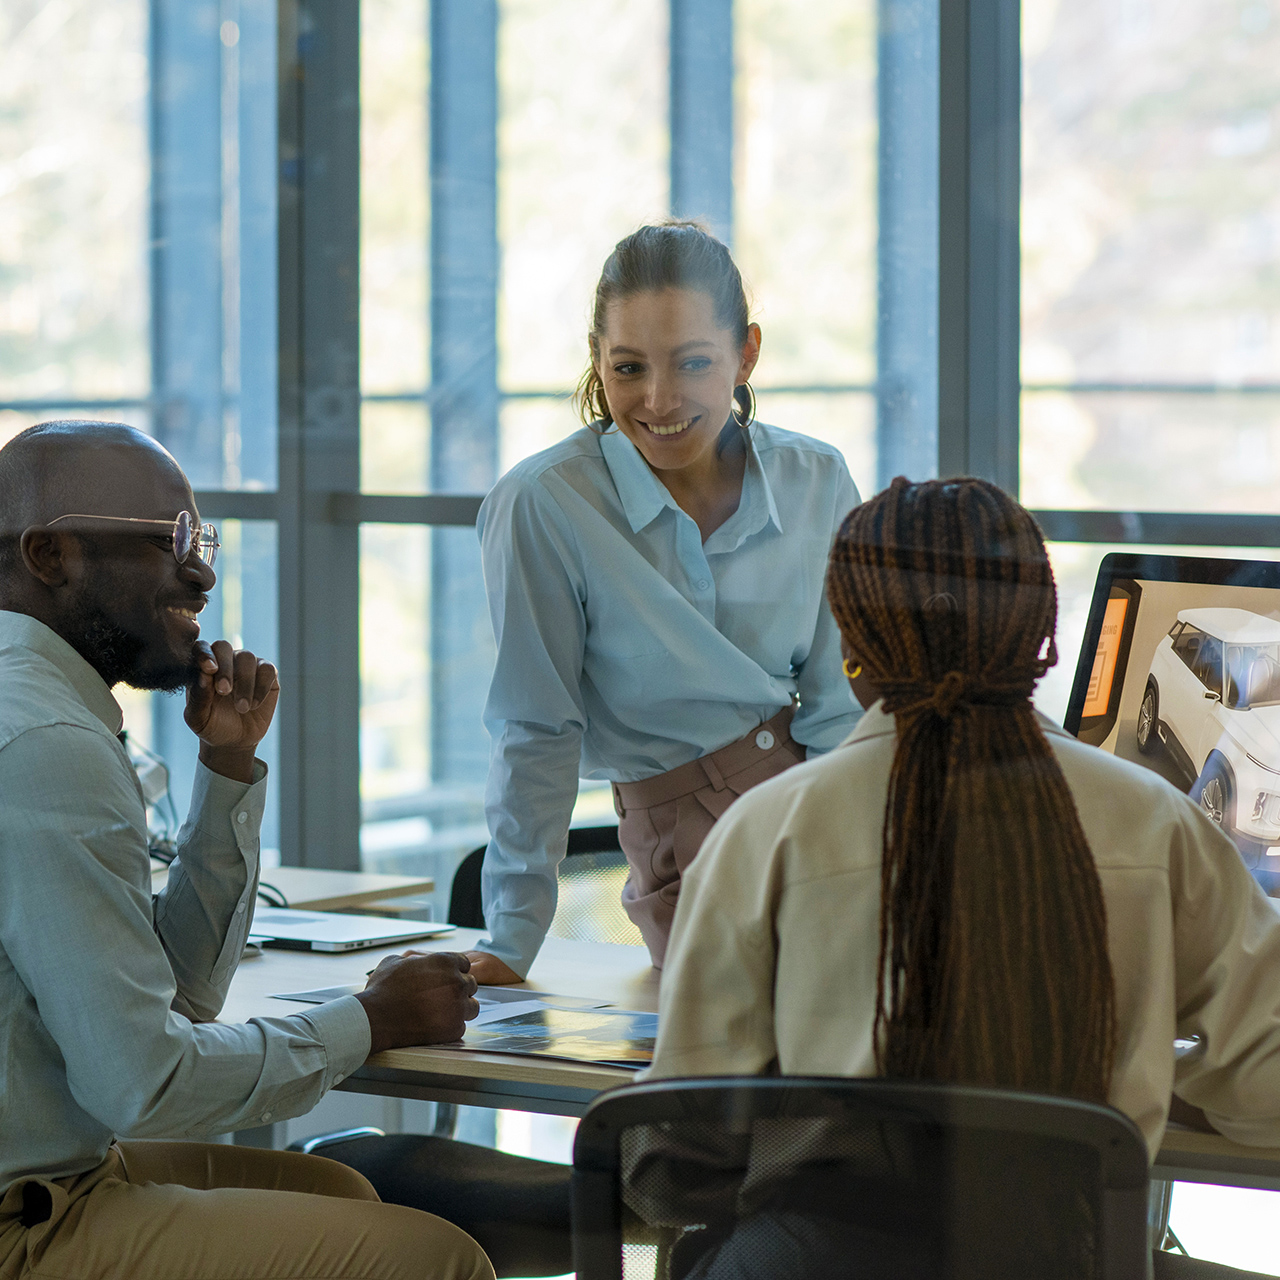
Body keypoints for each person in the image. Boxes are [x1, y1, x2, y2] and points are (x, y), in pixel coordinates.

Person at [647, 476, 1280, 1280]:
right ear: (1039, 633)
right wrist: (1144, 1068)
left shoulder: (768, 829)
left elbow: (671, 1152)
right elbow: (1269, 1090)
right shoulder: (1157, 824)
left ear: (854, 655)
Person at [0, 421, 492, 1280]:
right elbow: (143, 1086)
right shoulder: (46, 740)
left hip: (56, 1169)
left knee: (341, 1199)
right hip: (24, 1225)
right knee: (435, 1260)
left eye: (204, 538)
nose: (203, 571)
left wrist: (227, 768)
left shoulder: (42, 709)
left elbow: (181, 998)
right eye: (173, 542)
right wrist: (370, 1021)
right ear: (50, 555)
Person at [467, 221, 862, 984]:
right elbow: (536, 727)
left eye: (693, 363)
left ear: (747, 352)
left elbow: (840, 707)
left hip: (828, 808)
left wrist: (862, 859)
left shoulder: (817, 477)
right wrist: (511, 941)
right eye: (627, 367)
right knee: (782, 1067)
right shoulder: (545, 504)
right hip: (682, 837)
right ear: (596, 359)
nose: (657, 400)